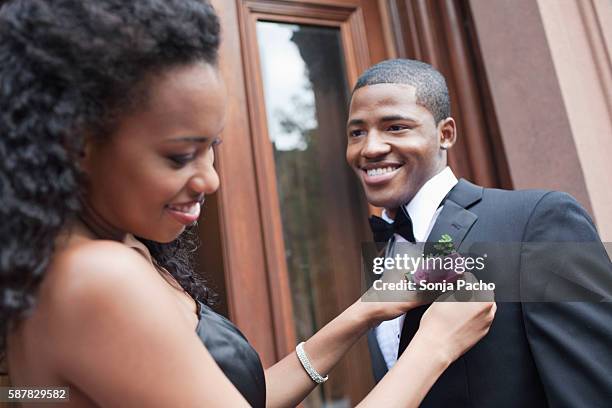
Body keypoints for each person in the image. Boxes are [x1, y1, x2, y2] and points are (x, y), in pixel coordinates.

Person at [0, 1, 496, 407]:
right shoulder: (97, 278)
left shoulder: (125, 248)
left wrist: (360, 314)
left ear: (445, 134)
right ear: (77, 142)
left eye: (211, 150)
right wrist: (434, 346)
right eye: (178, 156)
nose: (210, 181)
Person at [346, 58, 612, 407]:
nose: (370, 148)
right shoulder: (383, 257)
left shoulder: (537, 220)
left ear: (445, 134)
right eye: (357, 132)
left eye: (395, 127)